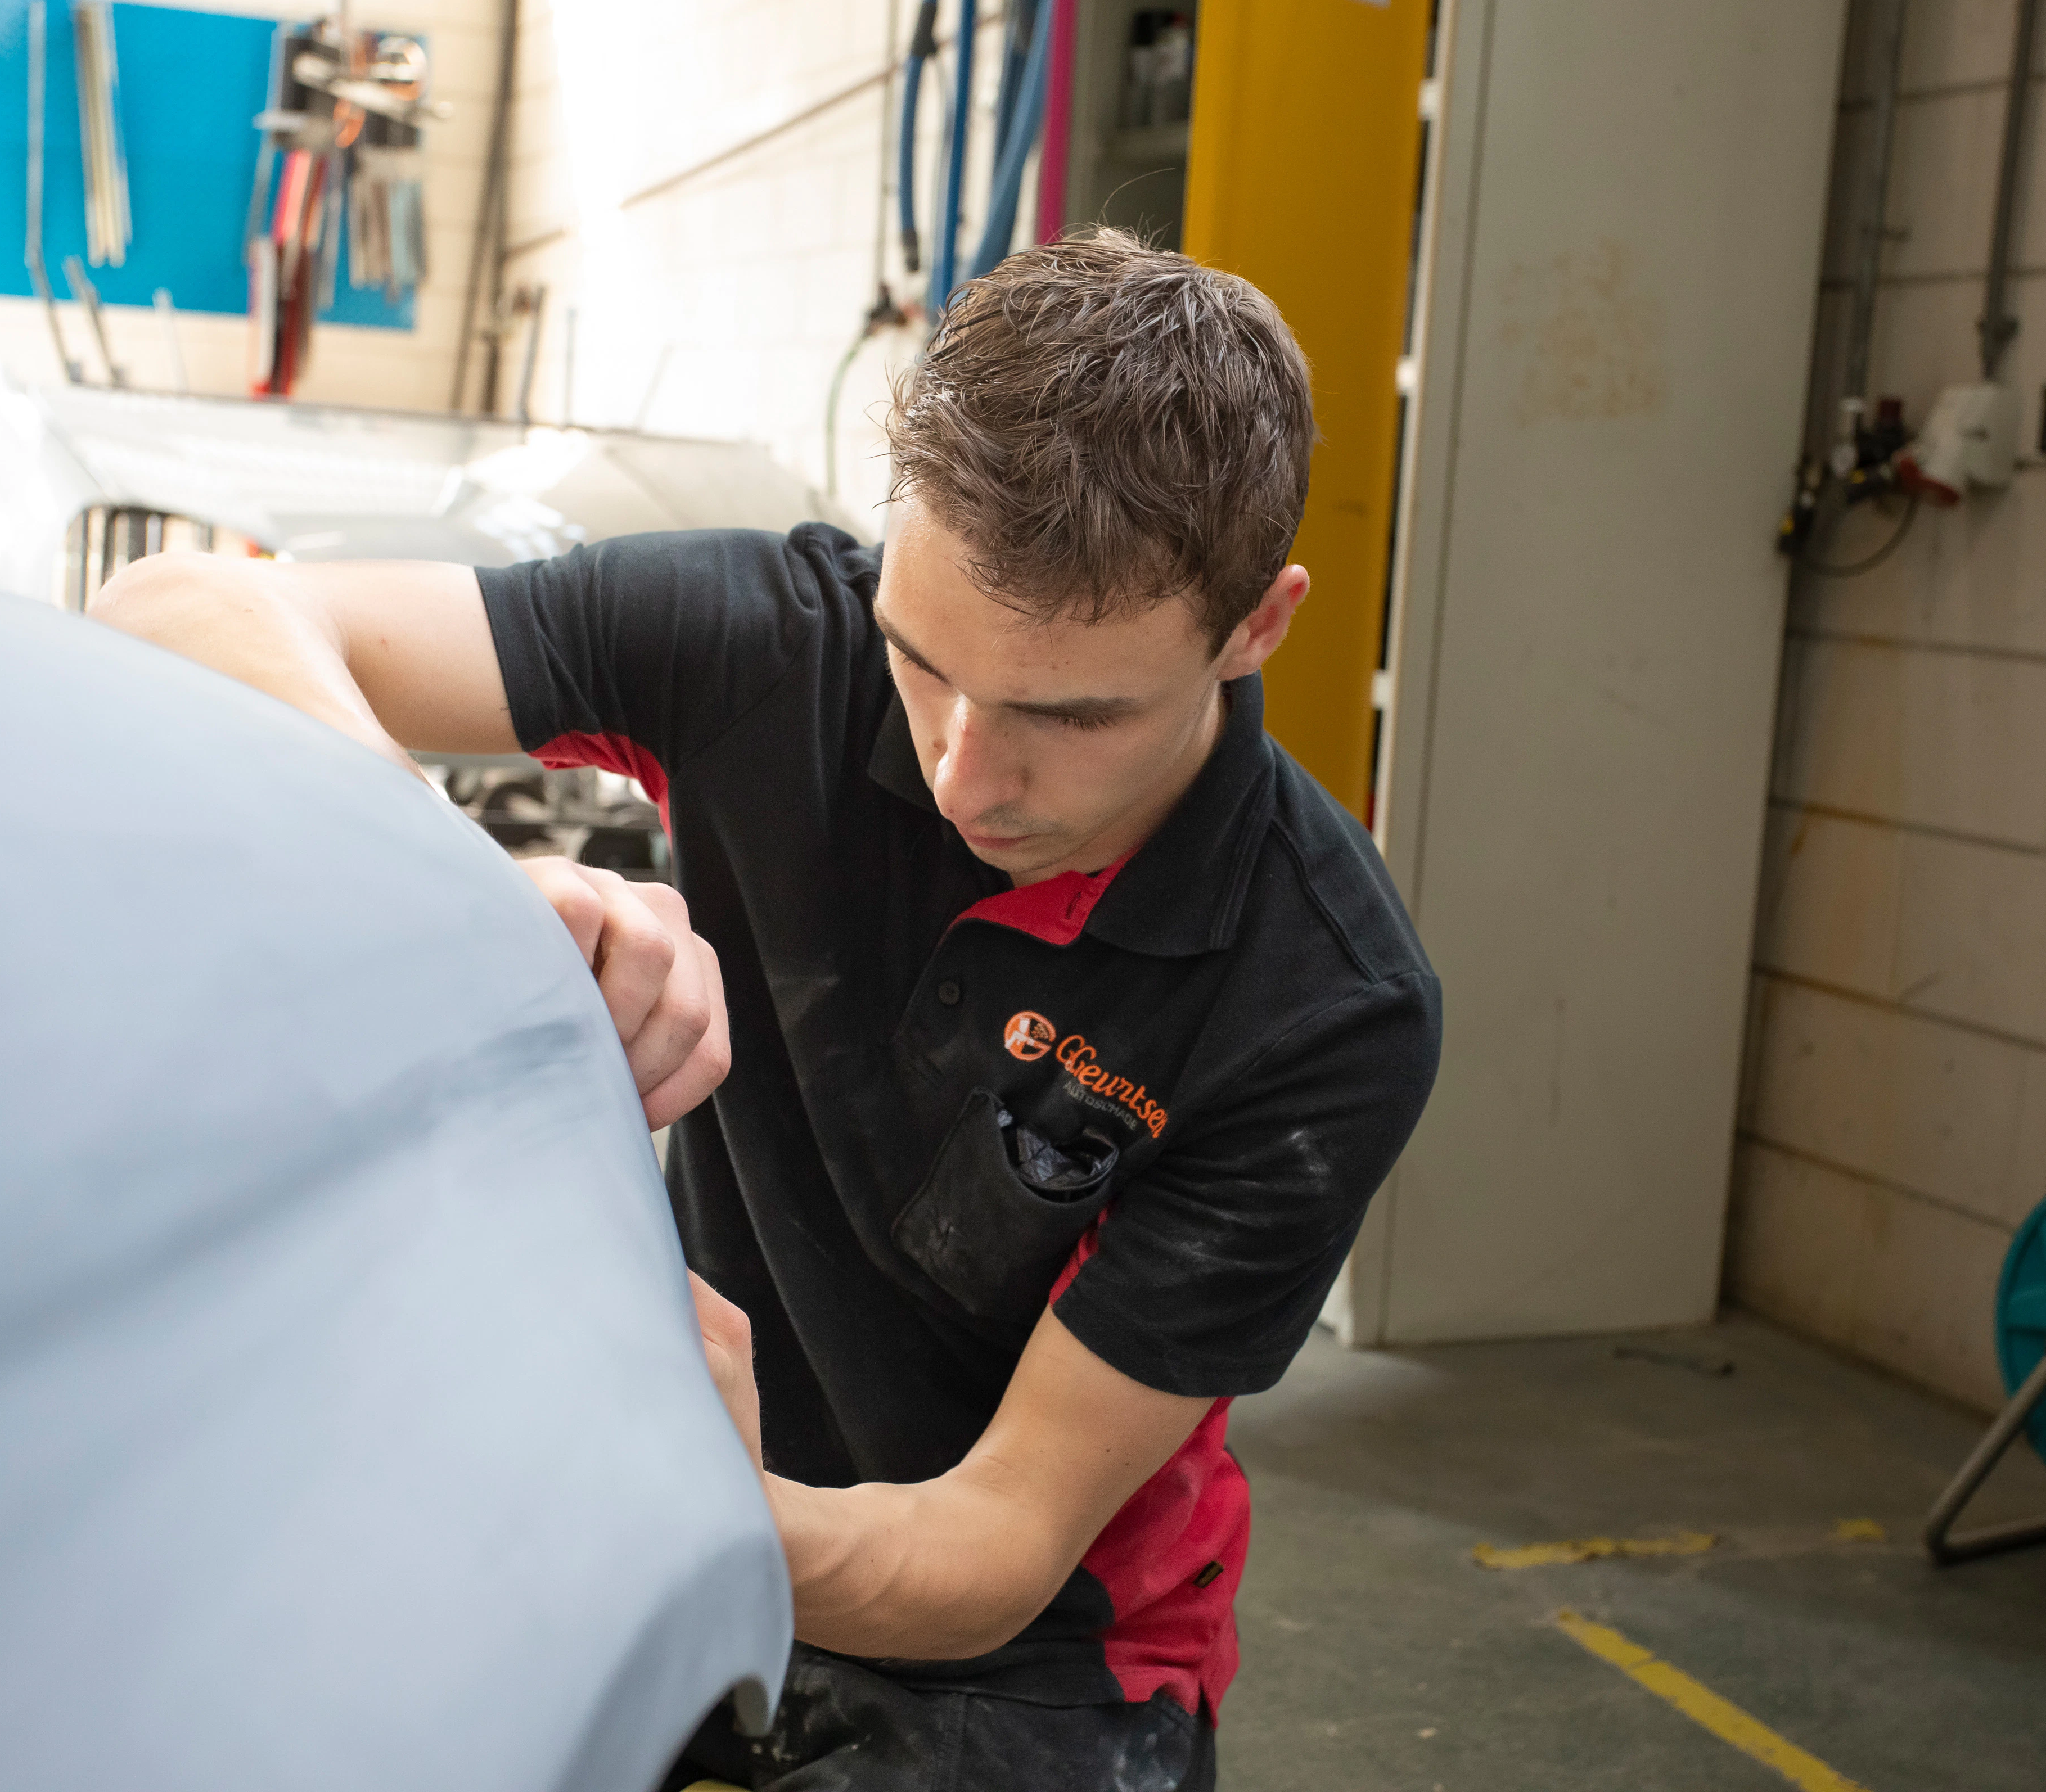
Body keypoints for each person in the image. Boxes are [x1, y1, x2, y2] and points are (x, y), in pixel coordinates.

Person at [93, 229, 1441, 1791]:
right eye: (923, 663)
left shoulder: (1322, 998)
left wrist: (675, 1492)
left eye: (1072, 715)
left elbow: (995, 1541)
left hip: (1035, 1649)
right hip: (689, 1483)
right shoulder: (778, 646)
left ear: (1254, 627)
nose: (962, 773)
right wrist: (466, 884)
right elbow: (173, 609)